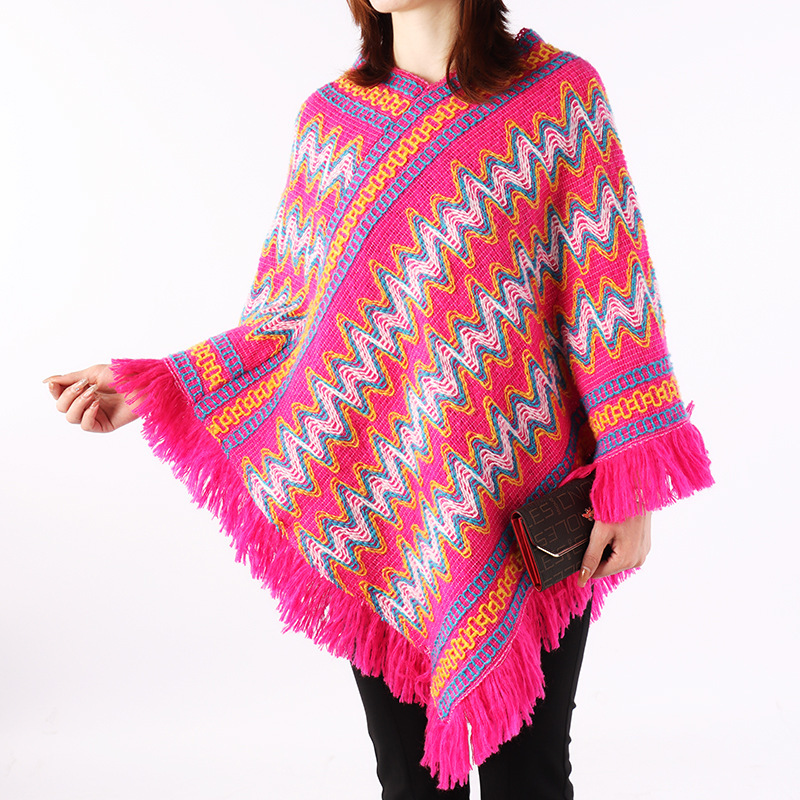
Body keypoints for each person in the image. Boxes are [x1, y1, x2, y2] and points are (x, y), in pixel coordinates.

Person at [44, 1, 714, 797]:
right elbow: (285, 325)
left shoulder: (558, 98)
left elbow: (611, 294)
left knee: (530, 780)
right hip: (382, 510)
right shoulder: (331, 125)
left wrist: (632, 481)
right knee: (409, 781)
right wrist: (159, 383)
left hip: (532, 512)